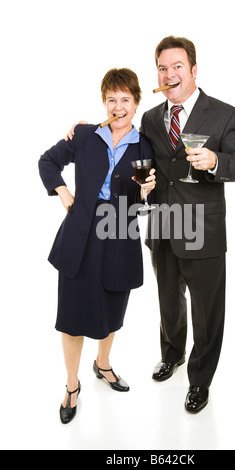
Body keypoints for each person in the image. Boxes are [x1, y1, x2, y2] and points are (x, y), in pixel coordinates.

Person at [65, 36, 235, 414]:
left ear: (194, 70)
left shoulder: (225, 114)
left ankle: (200, 380)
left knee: (206, 310)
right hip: (163, 226)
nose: (170, 74)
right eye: (163, 68)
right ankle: (172, 355)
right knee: (169, 301)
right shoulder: (152, 117)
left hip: (203, 230)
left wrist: (215, 160)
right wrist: (84, 130)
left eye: (178, 67)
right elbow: (124, 135)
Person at [38, 68, 156, 424]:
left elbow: (138, 198)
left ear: (136, 103)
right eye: (111, 100)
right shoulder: (86, 135)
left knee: (111, 311)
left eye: (125, 100)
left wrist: (146, 194)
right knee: (72, 318)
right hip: (80, 236)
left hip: (119, 236)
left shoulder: (144, 144)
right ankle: (72, 386)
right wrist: (63, 192)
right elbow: (47, 161)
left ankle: (102, 364)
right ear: (104, 102)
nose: (118, 107)